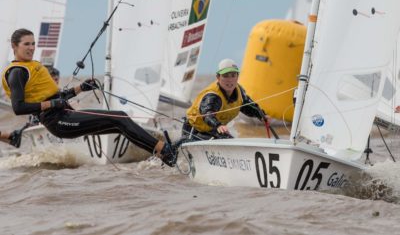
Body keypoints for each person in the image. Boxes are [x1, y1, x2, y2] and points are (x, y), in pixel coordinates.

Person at [1, 28, 177, 166]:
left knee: (119, 123)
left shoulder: (32, 66)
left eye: (33, 43)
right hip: (57, 121)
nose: (31, 48)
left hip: (63, 115)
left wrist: (81, 88)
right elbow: (18, 108)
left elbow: (57, 96)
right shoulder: (17, 72)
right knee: (120, 118)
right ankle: (165, 151)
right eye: (26, 44)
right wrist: (52, 103)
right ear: (15, 47)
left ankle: (163, 154)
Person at [182, 58, 268, 140]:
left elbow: (248, 106)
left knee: (230, 140)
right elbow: (207, 115)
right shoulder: (213, 96)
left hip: (214, 130)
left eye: (233, 75)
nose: (230, 80)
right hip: (194, 131)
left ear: (237, 77)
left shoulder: (239, 92)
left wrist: (261, 115)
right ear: (218, 77)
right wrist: (218, 125)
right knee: (225, 138)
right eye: (225, 76)